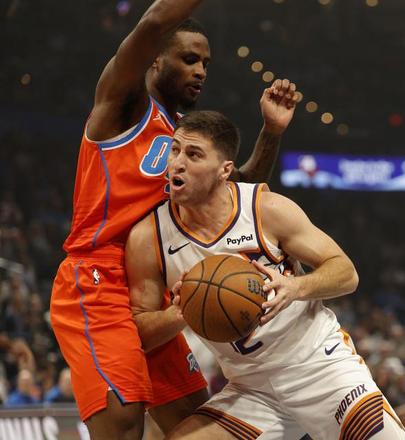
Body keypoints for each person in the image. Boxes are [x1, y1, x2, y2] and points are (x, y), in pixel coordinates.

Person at [49, 1, 300, 438]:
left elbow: (235, 192)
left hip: (154, 289)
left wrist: (271, 133)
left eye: (205, 63)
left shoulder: (186, 139)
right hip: (99, 281)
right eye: (189, 59)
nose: (200, 70)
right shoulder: (123, 107)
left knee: (195, 422)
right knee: (123, 426)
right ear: (156, 59)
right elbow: (154, 21)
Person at [126, 111, 405, 439]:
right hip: (251, 389)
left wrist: (296, 286)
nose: (177, 163)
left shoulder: (265, 209)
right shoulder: (149, 237)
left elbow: (346, 272)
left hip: (320, 367)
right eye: (175, 150)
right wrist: (179, 313)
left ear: (224, 170)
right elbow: (139, 332)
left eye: (193, 154)